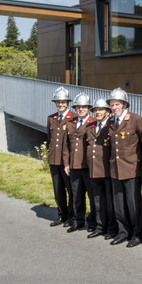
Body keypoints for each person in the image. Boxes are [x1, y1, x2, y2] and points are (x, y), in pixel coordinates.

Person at [107, 88, 142, 248]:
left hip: (131, 169)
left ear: (124, 104)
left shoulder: (136, 120)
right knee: (119, 204)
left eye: (117, 104)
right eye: (112, 105)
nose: (114, 107)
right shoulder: (110, 122)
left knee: (133, 204)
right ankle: (123, 232)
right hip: (115, 169)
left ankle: (138, 234)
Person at [84, 98, 116, 239]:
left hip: (107, 170)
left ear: (107, 112)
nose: (97, 112)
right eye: (95, 110)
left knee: (110, 202)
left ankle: (112, 228)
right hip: (94, 169)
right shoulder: (90, 127)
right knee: (97, 200)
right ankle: (100, 226)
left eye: (101, 110)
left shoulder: (111, 125)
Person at [64, 93, 94, 233]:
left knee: (92, 195)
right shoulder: (70, 123)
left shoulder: (93, 123)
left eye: (84, 107)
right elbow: (66, 145)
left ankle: (93, 222)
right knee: (76, 195)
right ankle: (78, 221)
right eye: (78, 107)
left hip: (88, 166)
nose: (81, 109)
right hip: (74, 165)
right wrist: (66, 163)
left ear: (88, 108)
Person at [47, 87, 73, 227]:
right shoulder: (51, 118)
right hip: (54, 159)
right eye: (58, 102)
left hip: (67, 161)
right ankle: (61, 215)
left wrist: (68, 161)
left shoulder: (73, 118)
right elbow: (50, 138)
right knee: (58, 190)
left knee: (70, 190)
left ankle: (71, 216)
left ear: (67, 102)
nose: (60, 104)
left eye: (63, 102)